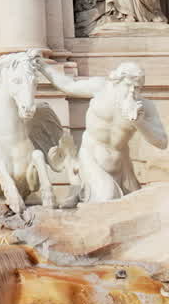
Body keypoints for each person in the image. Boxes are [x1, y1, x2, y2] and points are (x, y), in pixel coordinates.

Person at [43, 60, 167, 202]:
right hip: (92, 156)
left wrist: (139, 123)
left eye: (137, 88)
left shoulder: (144, 106)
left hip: (121, 163)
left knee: (135, 203)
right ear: (117, 81)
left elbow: (162, 142)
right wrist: (42, 66)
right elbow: (67, 85)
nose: (132, 91)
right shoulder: (101, 88)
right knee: (107, 197)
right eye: (128, 85)